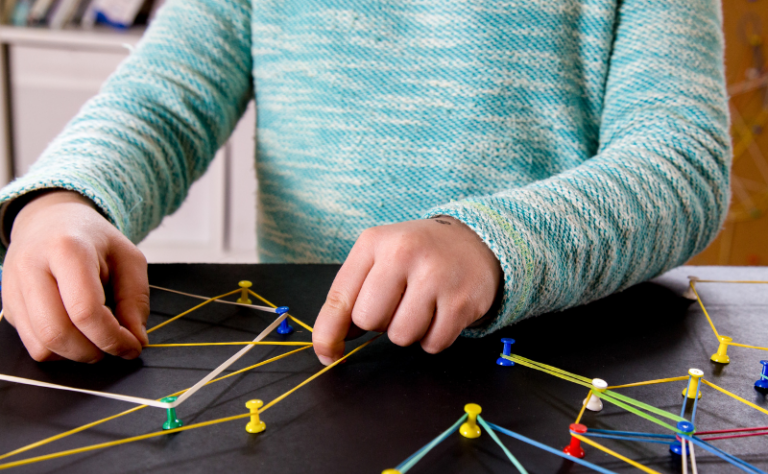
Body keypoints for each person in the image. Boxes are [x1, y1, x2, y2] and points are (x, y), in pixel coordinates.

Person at [0, 0, 730, 367]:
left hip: (563, 370)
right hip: (316, 365)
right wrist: (67, 199)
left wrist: (492, 240)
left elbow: (681, 159)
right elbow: (163, 102)